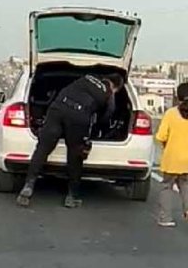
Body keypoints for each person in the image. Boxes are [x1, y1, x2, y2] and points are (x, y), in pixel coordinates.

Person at [16, 73, 124, 208]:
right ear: (116, 87)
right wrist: (97, 128)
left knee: (43, 148)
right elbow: (107, 116)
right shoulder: (108, 94)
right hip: (79, 116)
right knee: (75, 154)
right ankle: (72, 196)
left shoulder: (86, 77)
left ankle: (28, 186)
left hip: (58, 108)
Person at [155, 83, 188, 227]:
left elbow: (161, 136)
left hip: (172, 159)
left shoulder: (170, 114)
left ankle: (165, 218)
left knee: (167, 186)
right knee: (185, 184)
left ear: (176, 96)